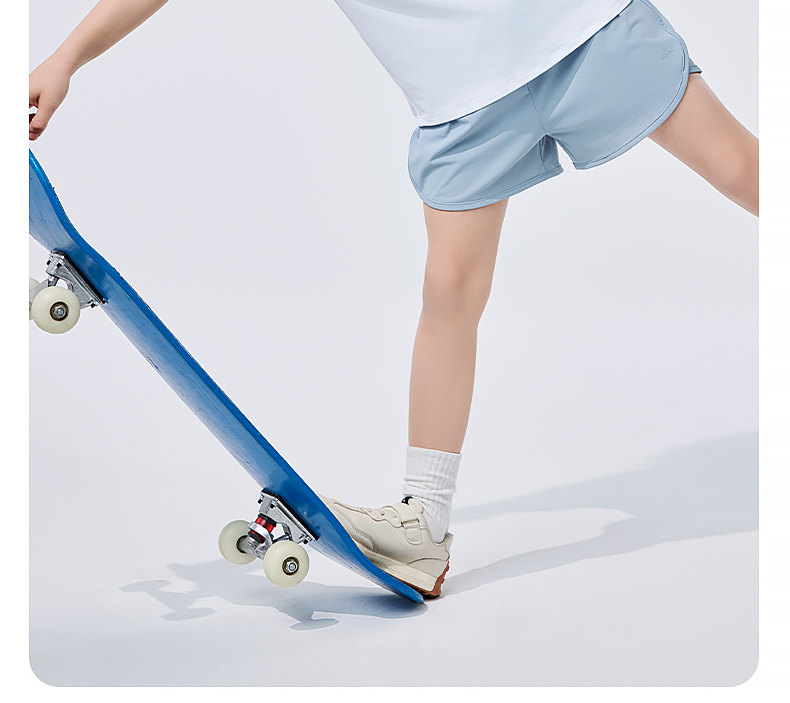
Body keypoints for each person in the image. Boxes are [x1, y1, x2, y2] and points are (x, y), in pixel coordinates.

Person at [30, 0, 759, 598]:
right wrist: (66, 59)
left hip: (584, 29)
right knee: (448, 290)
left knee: (741, 170)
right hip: (463, 102)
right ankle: (423, 525)